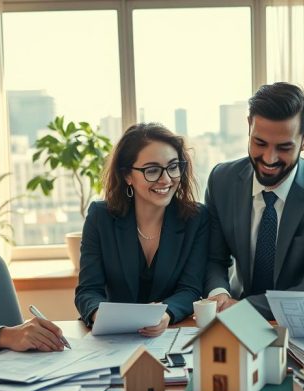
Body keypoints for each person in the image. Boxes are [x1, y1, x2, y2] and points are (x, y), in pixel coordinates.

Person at [204, 82, 304, 319]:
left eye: (283, 147)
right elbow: (214, 258)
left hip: (296, 321)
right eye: (259, 143)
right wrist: (219, 292)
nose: (269, 158)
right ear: (249, 127)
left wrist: (246, 308)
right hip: (231, 314)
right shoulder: (221, 180)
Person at [75, 123, 208, 335]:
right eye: (152, 170)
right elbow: (88, 291)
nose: (166, 179)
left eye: (173, 166)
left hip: (169, 333)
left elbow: (190, 288)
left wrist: (166, 314)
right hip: (112, 336)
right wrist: (100, 316)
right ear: (127, 175)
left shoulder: (196, 218)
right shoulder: (100, 217)